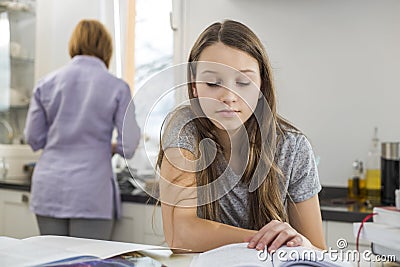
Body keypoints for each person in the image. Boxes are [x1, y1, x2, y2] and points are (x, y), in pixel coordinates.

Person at [157, 20, 326, 253]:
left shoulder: (292, 148)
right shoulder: (185, 129)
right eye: (213, 83)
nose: (229, 96)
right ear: (194, 87)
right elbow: (180, 235)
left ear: (261, 87)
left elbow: (317, 250)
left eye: (243, 82)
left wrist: (302, 244)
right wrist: (271, 240)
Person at [24, 19, 140, 240]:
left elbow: (33, 138)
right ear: (106, 48)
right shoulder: (117, 87)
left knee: (51, 260)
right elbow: (130, 144)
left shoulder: (46, 83)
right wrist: (111, 147)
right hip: (91, 191)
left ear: (73, 44)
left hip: (49, 187)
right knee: (87, 261)